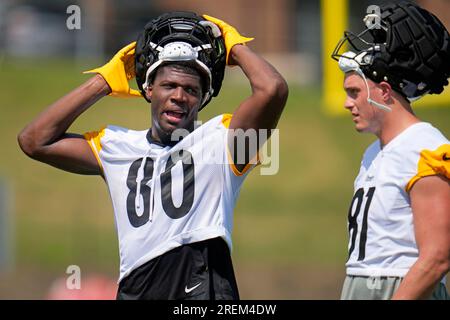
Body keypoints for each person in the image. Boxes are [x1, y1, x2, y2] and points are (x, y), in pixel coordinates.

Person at [17, 12, 288, 300]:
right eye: (169, 85)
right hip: (136, 290)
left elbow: (272, 89)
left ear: (204, 97)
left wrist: (235, 46)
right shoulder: (116, 145)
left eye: (191, 90)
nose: (179, 96)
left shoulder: (222, 141)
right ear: (148, 88)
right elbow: (34, 140)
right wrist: (104, 81)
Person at [332, 2, 450, 300]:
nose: (348, 103)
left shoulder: (426, 149)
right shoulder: (374, 152)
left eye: (354, 92)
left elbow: (437, 258)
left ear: (384, 91)